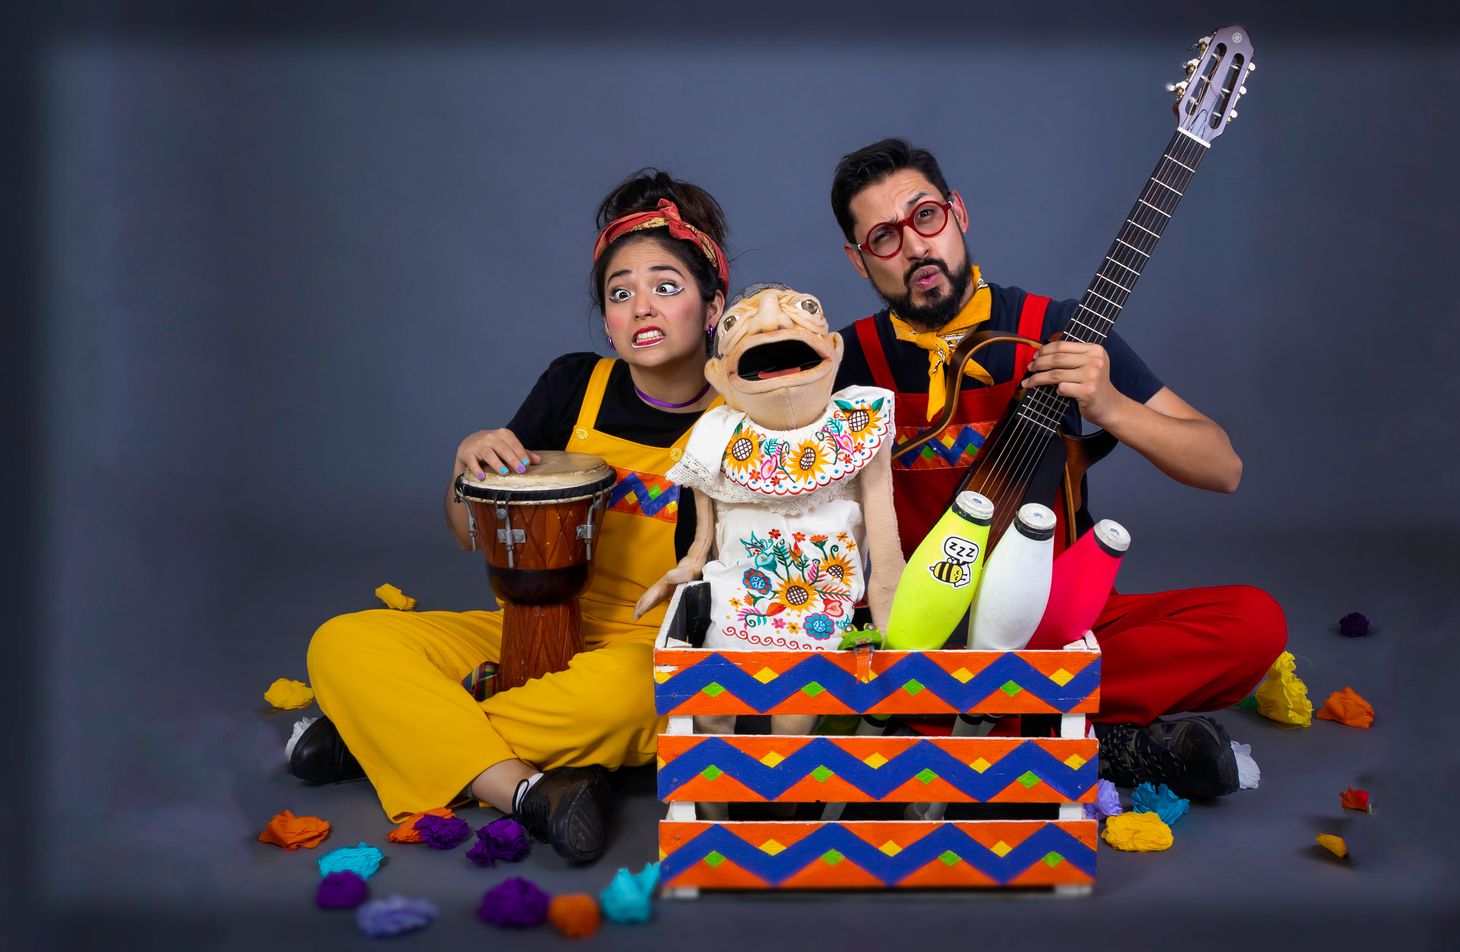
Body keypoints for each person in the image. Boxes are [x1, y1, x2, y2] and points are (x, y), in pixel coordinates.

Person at [287, 169, 731, 863]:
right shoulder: (573, 385)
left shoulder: (745, 417)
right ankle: (522, 785)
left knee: (628, 700)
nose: (642, 307)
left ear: (712, 307)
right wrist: (466, 467)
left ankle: (376, 736)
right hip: (529, 628)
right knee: (341, 642)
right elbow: (467, 533)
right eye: (620, 293)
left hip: (648, 646)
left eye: (666, 286)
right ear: (607, 320)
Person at [828, 138, 1286, 799]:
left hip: (1059, 625)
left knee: (1254, 623)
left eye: (925, 216)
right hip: (915, 631)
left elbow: (1223, 467)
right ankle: (1094, 740)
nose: (915, 247)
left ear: (958, 212)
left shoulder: (1065, 328)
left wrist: (1111, 406)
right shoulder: (844, 360)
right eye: (883, 237)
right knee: (827, 662)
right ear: (859, 259)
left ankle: (978, 729)